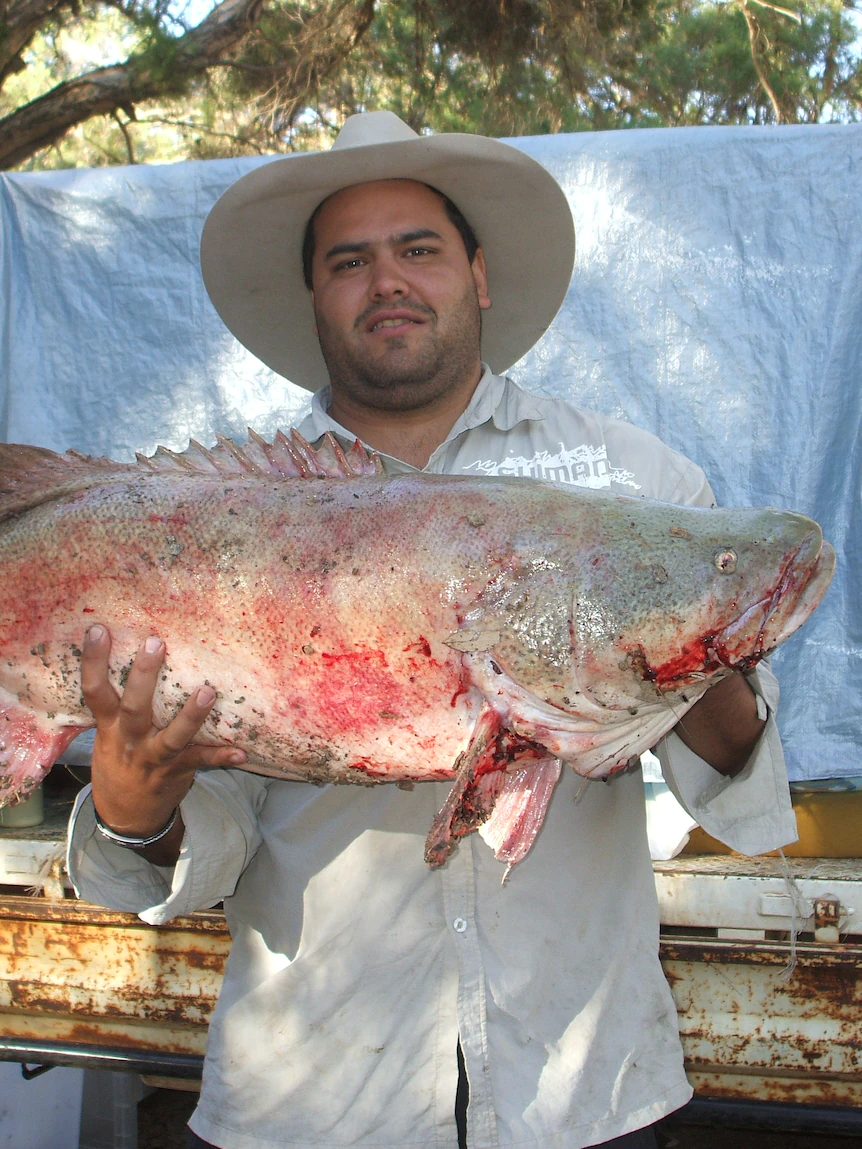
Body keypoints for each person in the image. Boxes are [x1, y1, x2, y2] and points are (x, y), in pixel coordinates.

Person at [67, 111, 796, 1149]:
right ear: (314, 296)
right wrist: (137, 812)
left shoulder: (639, 484)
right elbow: (208, 842)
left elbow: (735, 779)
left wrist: (695, 650)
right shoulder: (216, 518)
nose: (388, 280)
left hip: (582, 1093)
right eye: (349, 260)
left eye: (419, 249)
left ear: (479, 275)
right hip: (313, 1106)